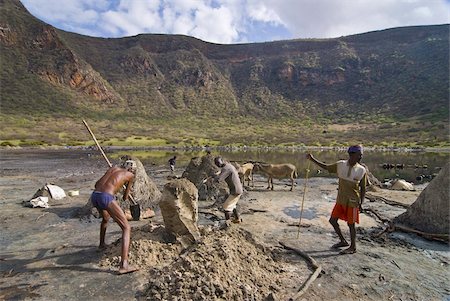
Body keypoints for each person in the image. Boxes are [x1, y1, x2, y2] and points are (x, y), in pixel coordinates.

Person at [306, 145, 367, 255]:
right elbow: (326, 167)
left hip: (353, 201)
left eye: (361, 155)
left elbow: (363, 187)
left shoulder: (362, 170)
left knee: (351, 224)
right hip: (341, 200)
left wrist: (361, 203)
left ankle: (353, 247)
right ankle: (343, 241)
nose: (360, 157)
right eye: (359, 155)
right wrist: (312, 159)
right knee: (332, 221)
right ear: (351, 155)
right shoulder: (341, 165)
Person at [90, 160, 139, 274]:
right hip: (106, 197)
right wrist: (125, 187)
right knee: (126, 227)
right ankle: (124, 265)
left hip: (95, 195)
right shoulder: (130, 175)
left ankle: (101, 245)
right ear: (132, 170)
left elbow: (97, 184)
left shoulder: (112, 169)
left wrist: (114, 185)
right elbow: (125, 198)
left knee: (105, 218)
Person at [213, 156, 244, 223]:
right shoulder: (229, 166)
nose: (218, 165)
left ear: (221, 162)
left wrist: (214, 177)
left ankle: (228, 223)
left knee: (226, 207)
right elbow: (223, 172)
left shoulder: (226, 169)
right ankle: (237, 219)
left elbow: (219, 179)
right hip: (238, 189)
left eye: (218, 164)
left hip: (235, 191)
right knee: (232, 205)